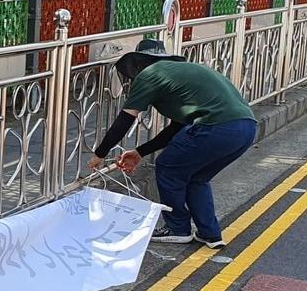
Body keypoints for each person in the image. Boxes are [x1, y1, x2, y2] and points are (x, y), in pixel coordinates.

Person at [88, 38, 257, 249]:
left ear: (139, 64)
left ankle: (178, 228)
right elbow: (176, 128)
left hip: (214, 127)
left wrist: (100, 153)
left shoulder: (150, 75)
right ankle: (210, 234)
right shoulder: (181, 72)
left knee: (168, 167)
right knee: (197, 177)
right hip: (247, 128)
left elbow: (126, 118)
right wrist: (140, 152)